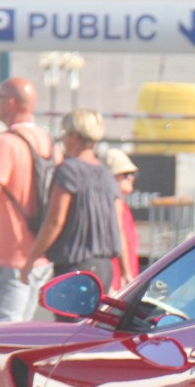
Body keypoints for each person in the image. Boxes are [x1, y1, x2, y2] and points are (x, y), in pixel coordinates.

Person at [0, 76, 56, 322]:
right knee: (20, 331)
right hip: (39, 251)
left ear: (11, 103)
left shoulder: (5, 143)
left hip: (10, 252)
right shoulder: (47, 140)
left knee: (2, 333)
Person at [19, 109, 128, 301]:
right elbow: (118, 227)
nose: (62, 138)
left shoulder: (68, 171)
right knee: (93, 328)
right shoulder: (105, 174)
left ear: (74, 136)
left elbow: (54, 221)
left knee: (70, 326)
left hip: (75, 267)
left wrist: (31, 260)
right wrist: (126, 270)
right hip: (104, 268)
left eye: (64, 133)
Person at [104, 148, 141, 292]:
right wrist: (126, 273)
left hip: (119, 280)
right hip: (115, 280)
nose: (131, 178)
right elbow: (118, 236)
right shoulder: (114, 202)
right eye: (125, 174)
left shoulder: (120, 204)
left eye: (133, 174)